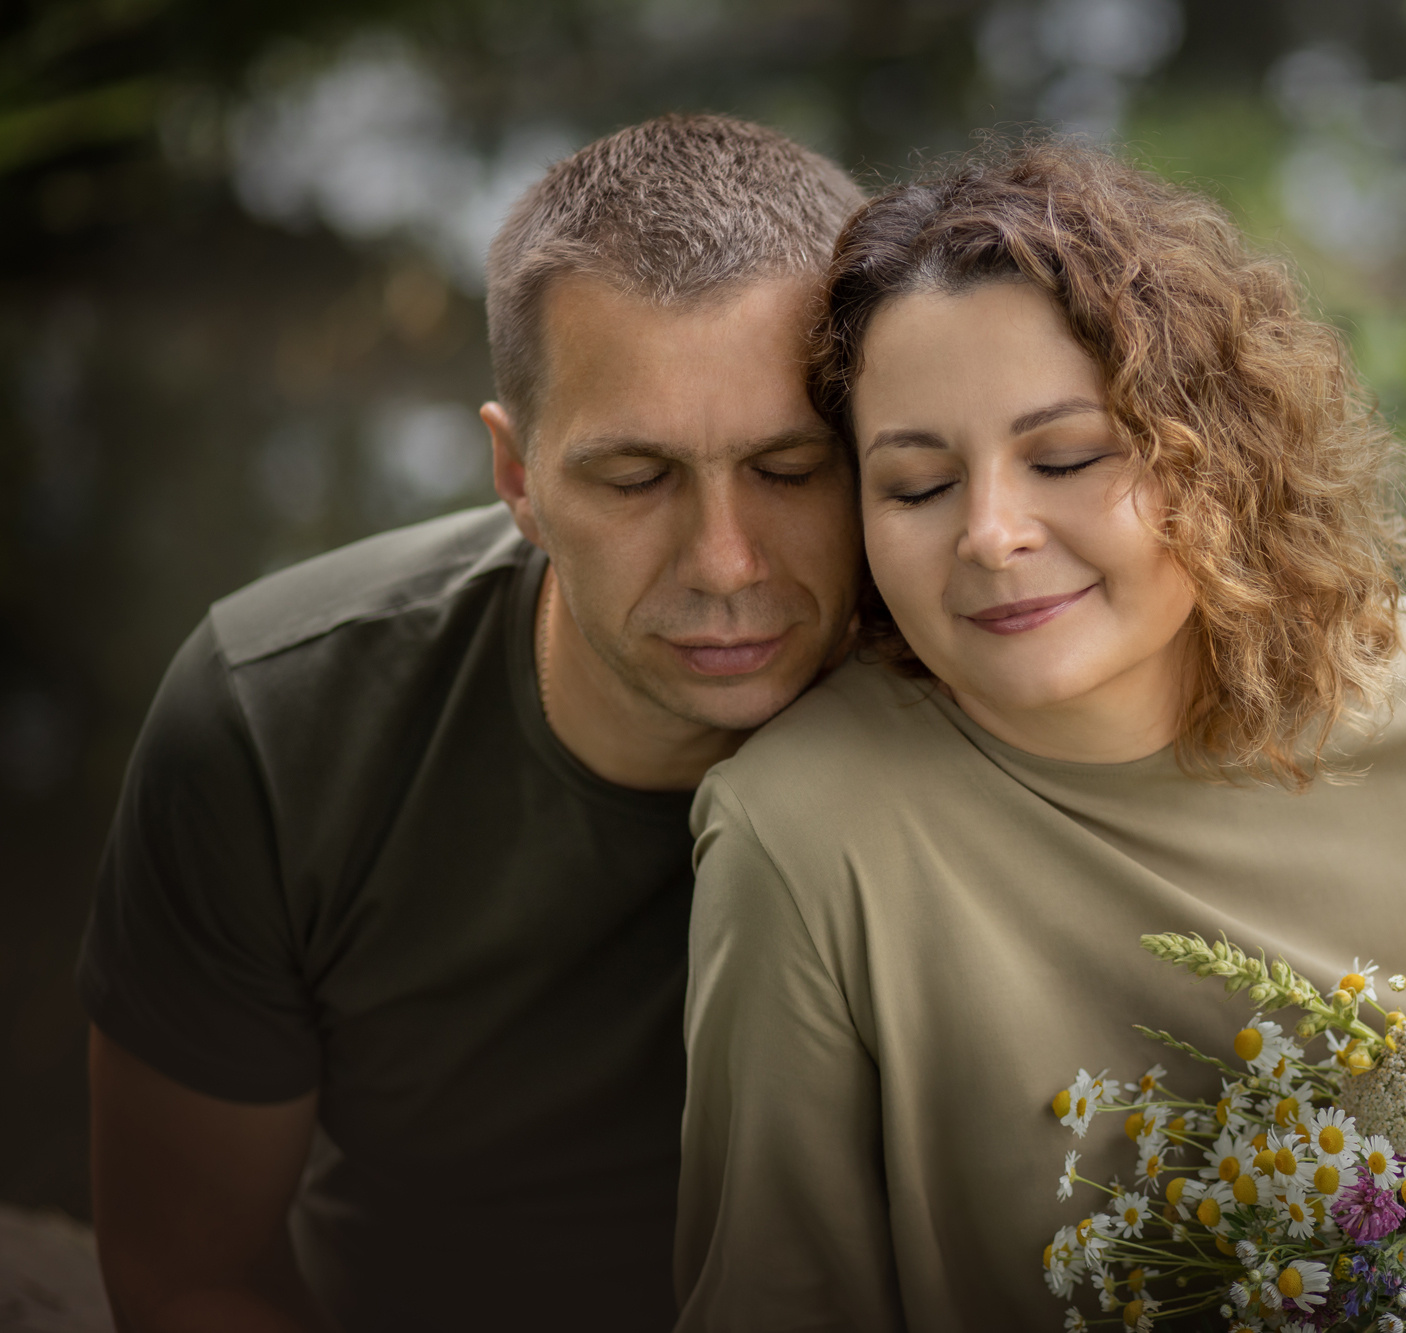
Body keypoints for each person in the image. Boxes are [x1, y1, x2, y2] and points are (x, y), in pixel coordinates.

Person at [672, 142, 1406, 1331]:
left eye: (1066, 456)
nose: (991, 533)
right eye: (914, 485)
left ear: (1208, 454)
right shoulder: (801, 830)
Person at [78, 114, 863, 1332]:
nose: (724, 562)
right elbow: (191, 1273)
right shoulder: (275, 717)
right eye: (634, 477)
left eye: (791, 466)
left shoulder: (982, 684)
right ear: (516, 479)